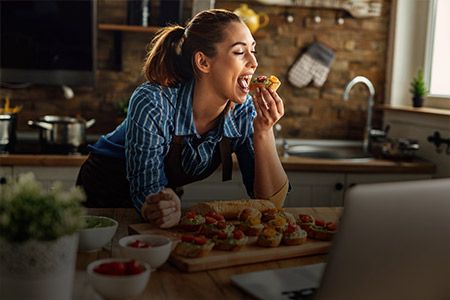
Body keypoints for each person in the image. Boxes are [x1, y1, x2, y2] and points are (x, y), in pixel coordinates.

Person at [76, 9, 289, 228]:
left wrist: (264, 131)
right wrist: (158, 206)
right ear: (203, 62)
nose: (254, 62)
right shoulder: (153, 102)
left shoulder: (243, 112)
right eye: (239, 52)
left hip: (159, 200)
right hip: (102, 196)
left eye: (253, 51)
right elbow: (146, 189)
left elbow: (271, 204)